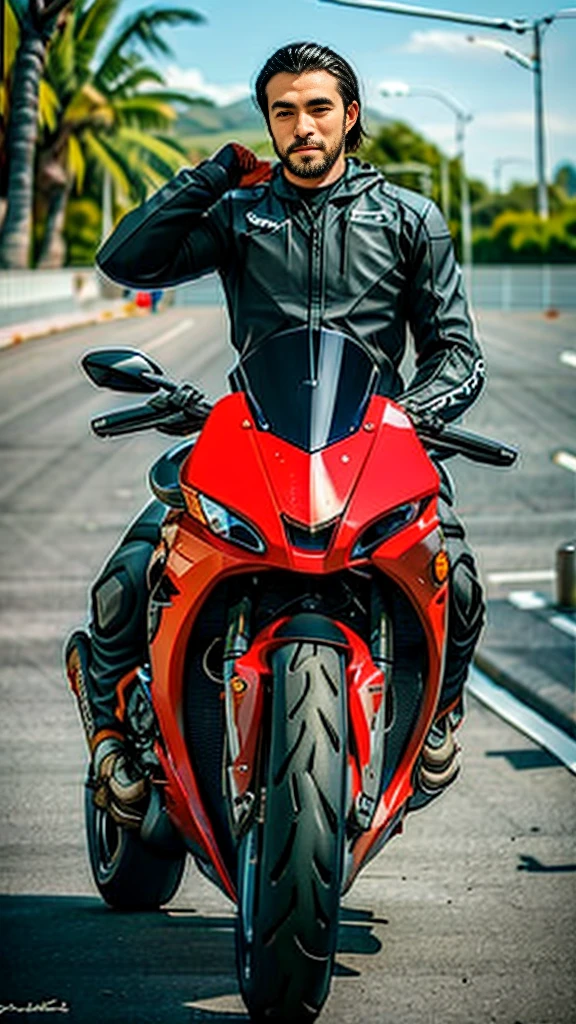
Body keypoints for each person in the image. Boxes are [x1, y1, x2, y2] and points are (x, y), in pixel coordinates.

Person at [72, 42, 485, 824]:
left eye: (319, 107)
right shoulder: (240, 214)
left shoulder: (409, 219)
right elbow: (127, 260)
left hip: (377, 445)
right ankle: (109, 740)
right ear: (269, 122)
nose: (303, 126)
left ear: (350, 116)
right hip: (253, 439)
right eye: (284, 111)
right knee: (133, 575)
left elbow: (458, 352)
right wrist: (217, 172)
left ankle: (438, 719)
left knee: (457, 581)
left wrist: (414, 414)